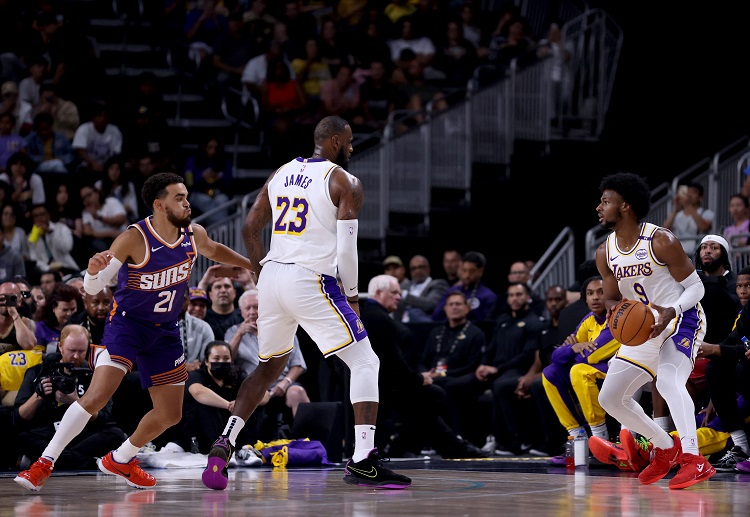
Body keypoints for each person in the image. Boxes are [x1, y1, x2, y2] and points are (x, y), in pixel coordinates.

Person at [202, 115, 411, 490]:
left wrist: (258, 270)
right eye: (347, 141)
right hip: (310, 278)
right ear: (332, 141)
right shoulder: (345, 181)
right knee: (365, 360)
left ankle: (225, 441)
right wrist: (351, 296)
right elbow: (347, 252)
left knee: (268, 367)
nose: (351, 148)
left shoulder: (281, 172)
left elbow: (250, 227)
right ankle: (363, 460)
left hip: (273, 278)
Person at [14, 172, 255, 492]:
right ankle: (44, 463)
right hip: (128, 325)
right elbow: (96, 286)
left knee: (170, 414)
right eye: (179, 198)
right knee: (97, 396)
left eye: (186, 196)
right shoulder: (134, 238)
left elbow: (213, 248)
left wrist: (253, 264)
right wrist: (92, 272)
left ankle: (122, 458)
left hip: (166, 330)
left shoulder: (193, 235)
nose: (187, 203)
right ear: (159, 204)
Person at [593, 172, 715, 489]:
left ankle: (693, 459)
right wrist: (612, 310)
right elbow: (611, 296)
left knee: (669, 380)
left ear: (626, 206)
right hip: (645, 326)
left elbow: (696, 288)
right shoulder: (604, 252)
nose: (599, 207)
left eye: (606, 201)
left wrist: (672, 310)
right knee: (610, 397)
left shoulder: (660, 241)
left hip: (680, 316)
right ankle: (664, 447)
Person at [13, 325, 127, 470]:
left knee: (116, 434)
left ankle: (52, 461)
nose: (76, 356)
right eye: (72, 350)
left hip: (82, 435)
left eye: (81, 351)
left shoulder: (95, 375)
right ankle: (86, 462)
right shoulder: (39, 372)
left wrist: (78, 402)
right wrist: (38, 395)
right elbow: (18, 417)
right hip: (47, 433)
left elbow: (104, 417)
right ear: (60, 347)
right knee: (20, 437)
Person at [542, 276, 620, 443]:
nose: (595, 297)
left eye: (601, 292)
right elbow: (556, 357)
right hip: (596, 370)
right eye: (590, 293)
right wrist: (572, 348)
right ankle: (577, 435)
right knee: (550, 372)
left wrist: (571, 350)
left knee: (579, 370)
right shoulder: (589, 320)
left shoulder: (618, 317)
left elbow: (591, 355)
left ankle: (600, 437)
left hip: (618, 371)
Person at [432, 251, 497, 322]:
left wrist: (468, 312)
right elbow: (436, 316)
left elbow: (487, 324)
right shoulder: (450, 292)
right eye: (464, 270)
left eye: (472, 271)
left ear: (480, 271)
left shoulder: (488, 296)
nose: (467, 275)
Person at [662, 181, 714, 256]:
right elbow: (664, 229)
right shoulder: (678, 215)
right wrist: (676, 209)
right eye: (688, 192)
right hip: (680, 252)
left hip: (697, 253)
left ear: (700, 197)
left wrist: (689, 205)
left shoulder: (706, 213)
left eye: (693, 193)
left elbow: (704, 227)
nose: (689, 195)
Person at [395, 254, 449, 323]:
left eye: (420, 267)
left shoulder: (438, 284)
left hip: (423, 326)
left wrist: (405, 295)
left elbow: (430, 305)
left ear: (428, 269)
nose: (417, 271)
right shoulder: (404, 286)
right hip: (402, 325)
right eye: (413, 268)